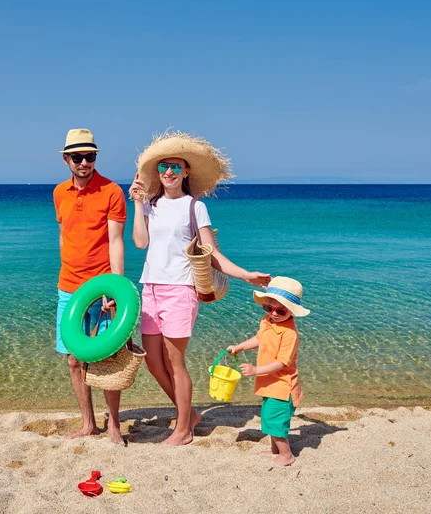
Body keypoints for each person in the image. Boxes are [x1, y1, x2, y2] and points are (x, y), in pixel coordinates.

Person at [129, 131, 271, 446]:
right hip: (151, 289)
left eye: (176, 167)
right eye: (164, 166)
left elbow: (212, 254)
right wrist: (137, 204)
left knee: (174, 361)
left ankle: (183, 430)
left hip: (180, 290)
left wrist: (246, 275)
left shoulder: (195, 207)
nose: (168, 172)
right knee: (153, 362)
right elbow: (140, 243)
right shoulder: (151, 205)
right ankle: (189, 413)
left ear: (187, 171)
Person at [53, 128, 127, 444]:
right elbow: (64, 235)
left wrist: (116, 289)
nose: (85, 162)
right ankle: (88, 424)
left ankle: (114, 425)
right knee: (73, 359)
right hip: (68, 288)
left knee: (108, 358)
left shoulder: (111, 191)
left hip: (101, 287)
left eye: (91, 156)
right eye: (79, 156)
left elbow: (116, 242)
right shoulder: (59, 193)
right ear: (67, 159)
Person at [227, 276, 310, 466]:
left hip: (282, 386)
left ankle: (287, 455)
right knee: (268, 416)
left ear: (291, 311)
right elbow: (259, 339)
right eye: (268, 308)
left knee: (275, 421)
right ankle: (276, 450)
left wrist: (256, 370)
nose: (273, 313)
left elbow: (282, 363)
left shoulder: (289, 334)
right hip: (269, 384)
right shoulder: (268, 321)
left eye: (280, 311)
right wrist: (240, 347)